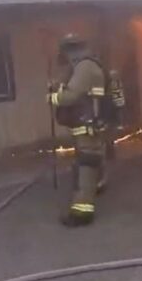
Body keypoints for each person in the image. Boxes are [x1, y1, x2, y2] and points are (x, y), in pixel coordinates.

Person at [48, 34, 109, 226]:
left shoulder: (84, 67)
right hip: (88, 124)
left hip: (87, 125)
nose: (64, 57)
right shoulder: (87, 66)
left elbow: (71, 96)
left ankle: (82, 213)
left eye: (65, 52)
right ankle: (97, 185)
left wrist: (52, 97)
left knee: (86, 166)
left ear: (71, 50)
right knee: (91, 163)